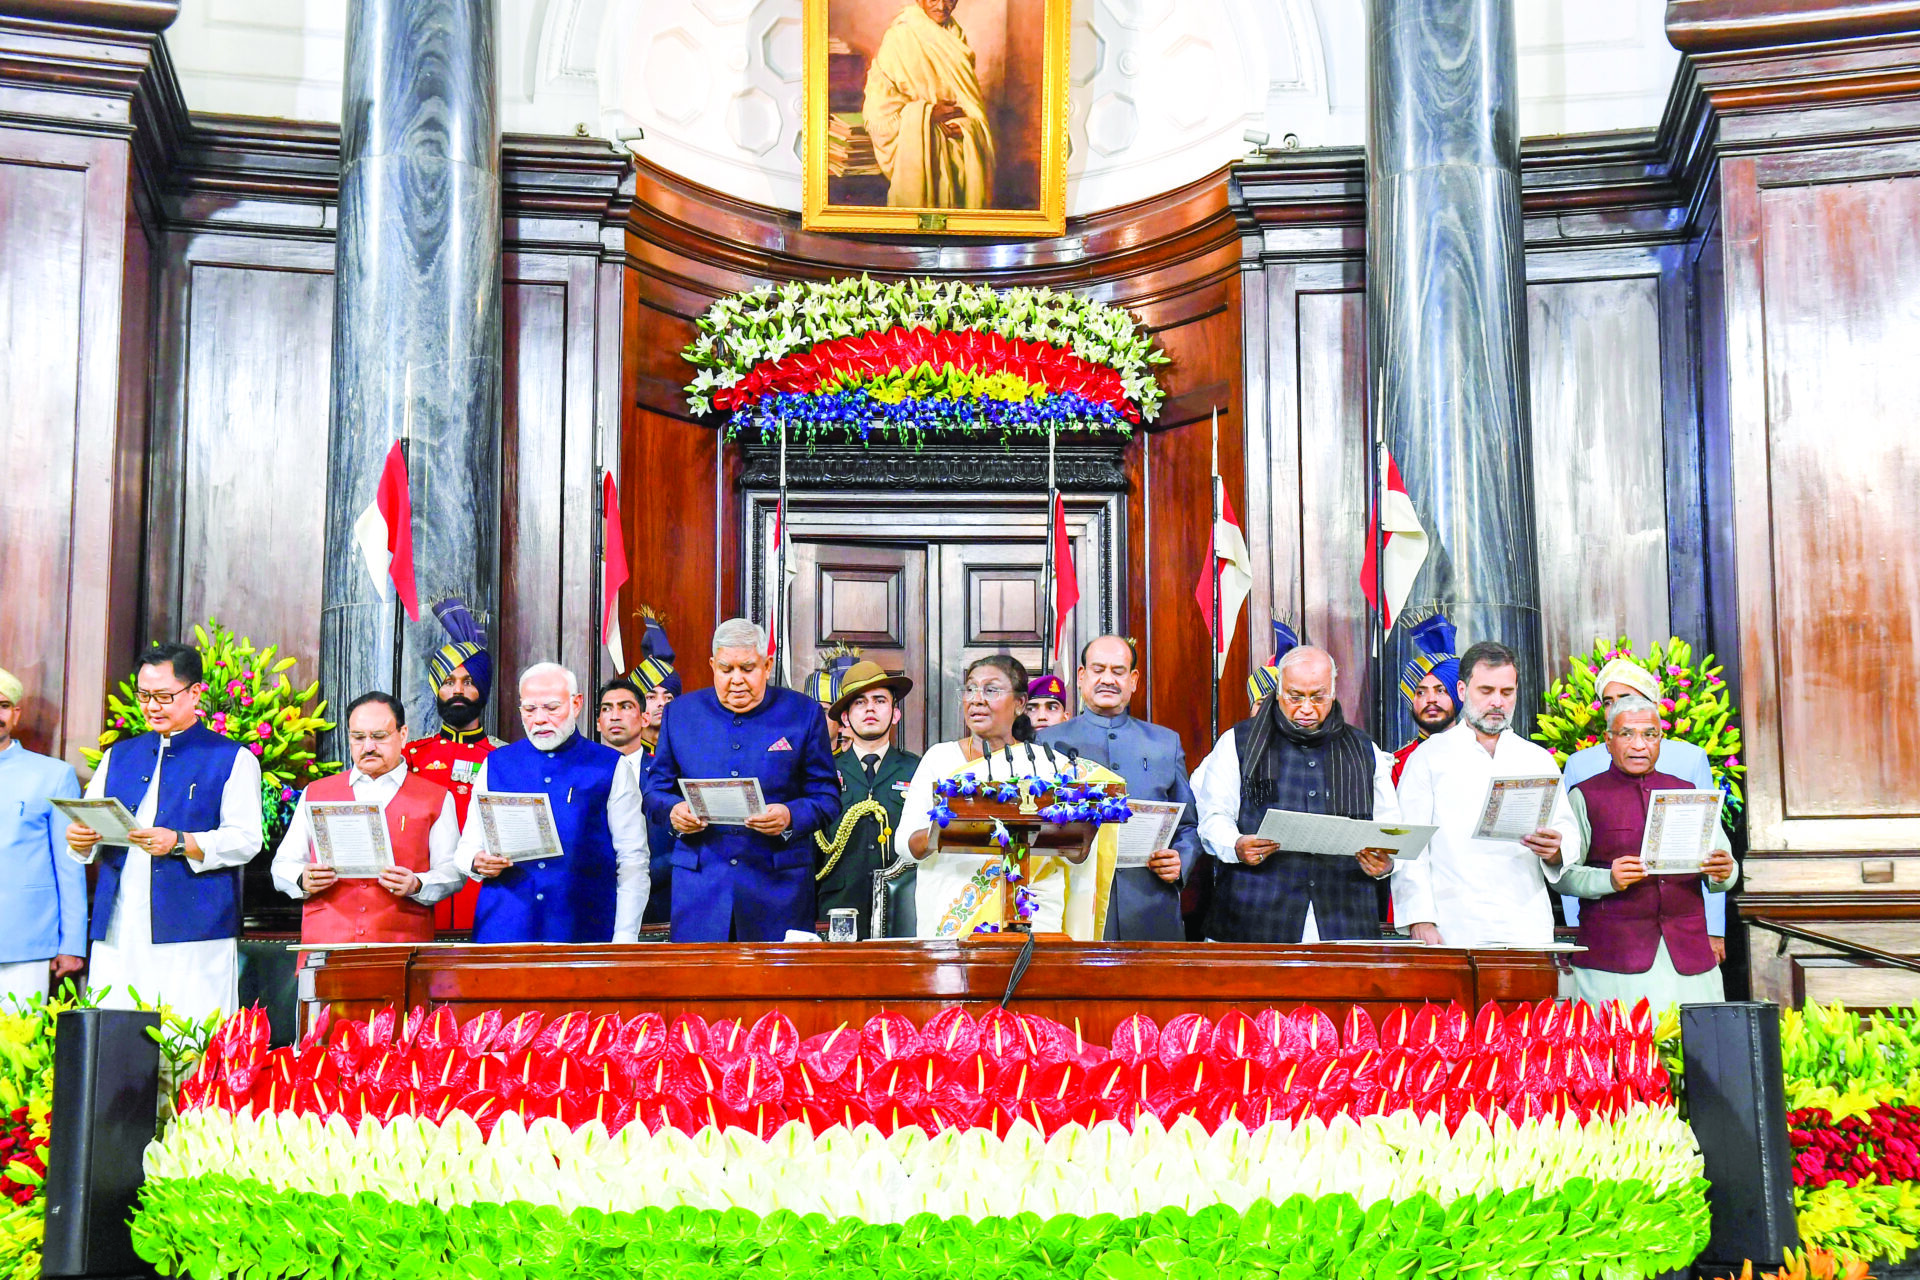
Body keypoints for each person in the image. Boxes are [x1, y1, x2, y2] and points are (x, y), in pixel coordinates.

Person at [65, 642, 263, 1020]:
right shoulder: (118, 756)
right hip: (119, 925)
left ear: (195, 693)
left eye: (163, 696)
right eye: (144, 696)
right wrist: (80, 841)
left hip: (193, 926)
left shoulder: (232, 758)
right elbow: (88, 826)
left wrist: (181, 842)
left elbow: (246, 839)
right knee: (115, 1032)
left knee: (188, 1032)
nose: (152, 706)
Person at [897, 654, 1123, 939]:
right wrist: (943, 829)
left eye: (991, 690)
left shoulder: (1049, 765)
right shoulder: (940, 759)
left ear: (1019, 704)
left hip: (1036, 917)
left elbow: (1076, 857)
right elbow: (904, 845)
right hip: (954, 921)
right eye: (970, 689)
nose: (976, 699)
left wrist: (1084, 833)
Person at [643, 619, 842, 942]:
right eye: (726, 669)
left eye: (747, 668)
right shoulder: (681, 714)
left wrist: (790, 816)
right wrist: (674, 811)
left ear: (767, 665)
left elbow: (828, 796)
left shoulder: (802, 713)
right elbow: (654, 792)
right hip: (700, 891)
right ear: (712, 665)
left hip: (779, 890)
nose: (737, 680)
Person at [1190, 646, 1401, 943]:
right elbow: (1213, 817)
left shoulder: (1365, 750)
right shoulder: (1238, 742)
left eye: (1317, 697)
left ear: (1333, 693)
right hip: (1254, 919)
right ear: (1278, 693)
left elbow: (1390, 826)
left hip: (1344, 920)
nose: (1306, 708)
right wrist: (1235, 844)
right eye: (1295, 696)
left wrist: (1386, 863)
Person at [1553, 694, 1739, 1006]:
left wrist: (1724, 871)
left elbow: (1724, 871)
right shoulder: (1585, 796)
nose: (1640, 745)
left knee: (1696, 1051)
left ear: (1661, 739)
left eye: (1650, 735)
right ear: (1608, 741)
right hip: (1614, 959)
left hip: (1689, 957)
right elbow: (1562, 876)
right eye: (1627, 734)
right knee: (1619, 1054)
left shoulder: (1687, 793)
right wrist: (1608, 879)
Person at [1392, 640, 1572, 948]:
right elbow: (1410, 844)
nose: (1497, 702)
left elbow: (1567, 830)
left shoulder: (1536, 758)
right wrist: (1420, 918)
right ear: (1462, 691)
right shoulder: (1429, 757)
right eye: (1486, 691)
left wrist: (1557, 848)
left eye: (1507, 692)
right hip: (1454, 924)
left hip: (1526, 921)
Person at [455, 663, 648, 943]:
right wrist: (476, 861)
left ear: (577, 704)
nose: (540, 719)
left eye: (552, 708)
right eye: (530, 710)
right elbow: (466, 848)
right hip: (506, 925)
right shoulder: (497, 763)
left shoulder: (610, 767)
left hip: (583, 927)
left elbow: (632, 859)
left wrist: (625, 937)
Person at [1559, 655, 1728, 960]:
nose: (1615, 707)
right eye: (1607, 701)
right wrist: (1576, 925)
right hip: (1611, 931)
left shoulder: (1690, 758)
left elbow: (1710, 846)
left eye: (1625, 697)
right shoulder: (1580, 763)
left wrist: (1714, 929)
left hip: (1681, 927)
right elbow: (1572, 853)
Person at [1038, 636, 1201, 941]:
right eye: (1098, 670)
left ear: (1133, 680)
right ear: (1082, 676)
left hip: (1150, 906)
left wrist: (1180, 860)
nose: (1108, 680)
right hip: (1073, 905)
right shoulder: (1047, 743)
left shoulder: (1164, 743)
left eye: (1119, 671)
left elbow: (1189, 825)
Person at [271, 692, 463, 943]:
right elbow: (282, 865)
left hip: (401, 943)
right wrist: (301, 878)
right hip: (326, 942)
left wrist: (418, 883)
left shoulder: (435, 797)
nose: (368, 747)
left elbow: (454, 871)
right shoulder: (316, 793)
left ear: (402, 734)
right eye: (358, 737)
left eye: (379, 737)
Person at [404, 597, 501, 932]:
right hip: (424, 896)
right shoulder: (411, 757)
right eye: (449, 682)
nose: (458, 690)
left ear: (482, 689)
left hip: (485, 894)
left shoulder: (504, 759)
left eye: (468, 682)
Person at [815, 660, 920, 938]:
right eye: (859, 702)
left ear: (895, 714)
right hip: (838, 906)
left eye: (879, 700)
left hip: (904, 905)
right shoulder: (824, 772)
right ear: (846, 719)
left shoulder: (918, 770)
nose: (870, 708)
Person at [0, 667, 84, 1005]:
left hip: (24, 942)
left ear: (16, 714)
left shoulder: (53, 776)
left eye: (3, 705)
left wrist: (72, 943)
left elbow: (70, 864)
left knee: (18, 1051)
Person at [862, 0, 996, 210]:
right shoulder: (899, 37)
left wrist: (967, 129)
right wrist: (927, 114)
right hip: (917, 152)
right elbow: (878, 111)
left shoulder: (956, 37)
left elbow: (971, 106)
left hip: (957, 155)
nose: (942, 6)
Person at [629, 609, 681, 924]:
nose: (661, 703)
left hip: (676, 887)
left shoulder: (689, 761)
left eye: (669, 695)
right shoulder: (621, 763)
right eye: (651, 696)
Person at [1394, 613, 1460, 785]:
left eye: (1441, 691)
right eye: (1421, 693)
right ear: (1411, 700)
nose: (1431, 700)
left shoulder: (1479, 755)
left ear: (1458, 695)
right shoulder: (1396, 766)